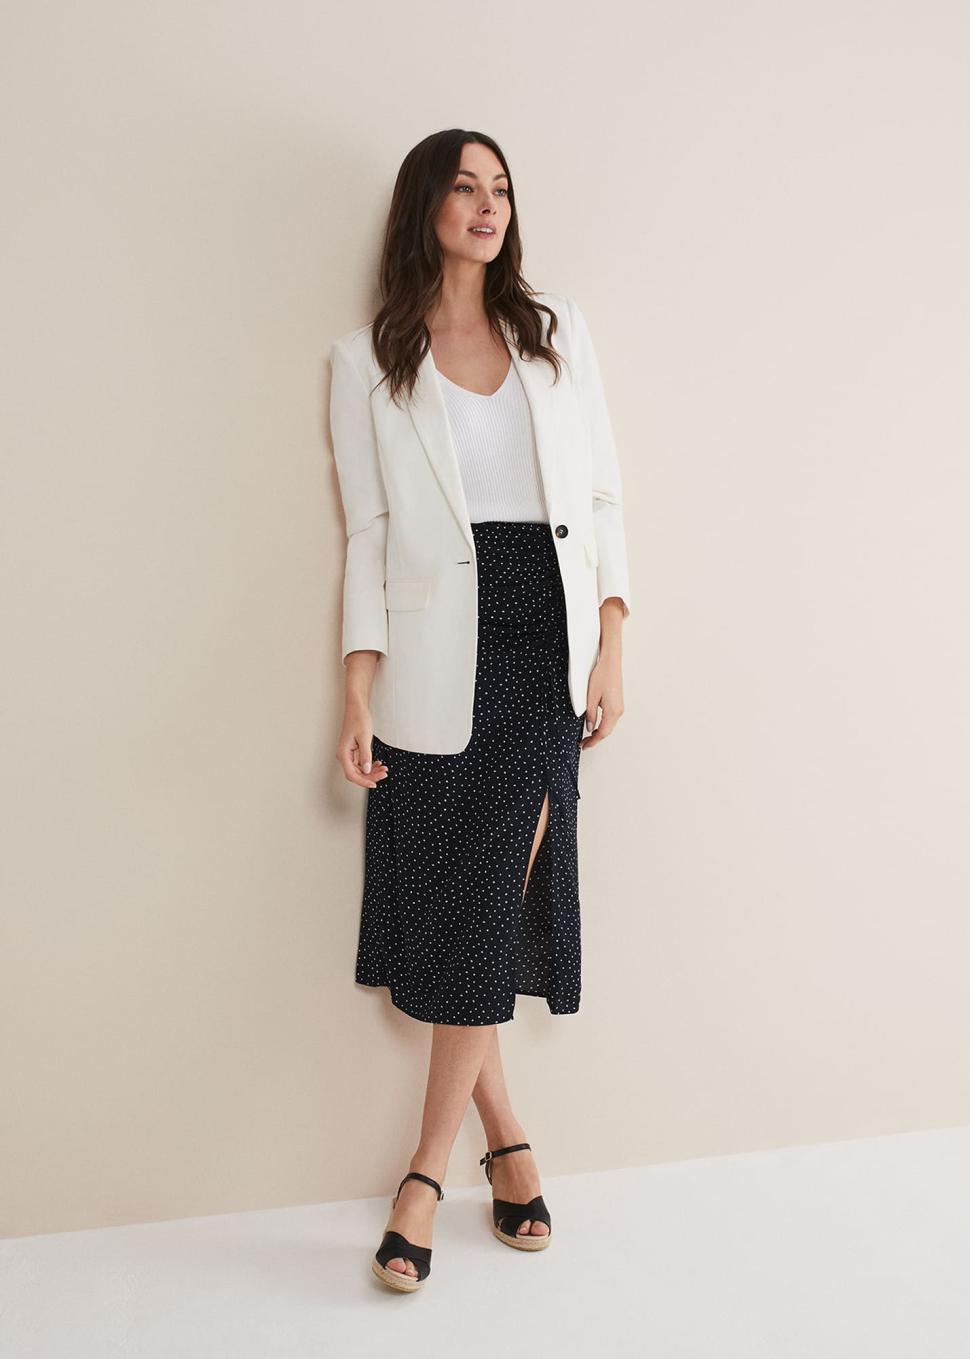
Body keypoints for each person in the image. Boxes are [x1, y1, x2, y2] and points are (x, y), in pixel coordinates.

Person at [328, 129, 632, 1292]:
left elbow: (602, 493)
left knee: (489, 892)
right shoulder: (367, 359)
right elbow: (367, 533)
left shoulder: (555, 333)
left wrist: (611, 641)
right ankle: (506, 1144)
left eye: (499, 187)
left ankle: (421, 1174)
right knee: (469, 909)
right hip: (432, 660)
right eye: (463, 186)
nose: (486, 204)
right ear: (426, 207)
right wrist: (357, 686)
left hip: (545, 642)